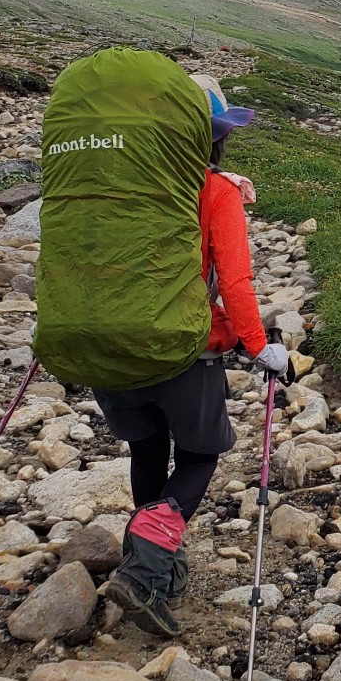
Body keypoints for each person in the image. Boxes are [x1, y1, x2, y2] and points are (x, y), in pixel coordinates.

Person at [88, 72, 291, 636]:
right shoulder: (216, 191)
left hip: (107, 349)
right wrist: (258, 347)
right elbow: (235, 281)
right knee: (201, 454)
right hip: (182, 353)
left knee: (147, 449)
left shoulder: (108, 187)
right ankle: (148, 568)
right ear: (211, 137)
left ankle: (150, 561)